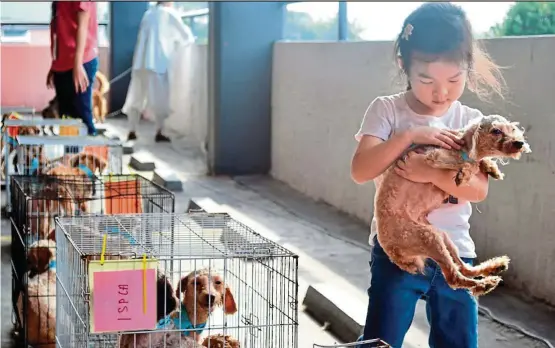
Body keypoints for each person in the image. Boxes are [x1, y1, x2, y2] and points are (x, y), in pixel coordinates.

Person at [351, 3, 505, 348]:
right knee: (381, 339)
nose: (441, 92)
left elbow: (478, 190)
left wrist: (428, 173)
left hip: (456, 250)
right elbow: (361, 170)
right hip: (399, 251)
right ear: (404, 65)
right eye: (426, 80)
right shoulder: (386, 110)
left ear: (468, 67)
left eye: (454, 80)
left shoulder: (471, 119)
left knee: (459, 340)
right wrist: (408, 136)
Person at [122, 1, 195, 142]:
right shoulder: (170, 14)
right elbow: (186, 36)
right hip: (158, 62)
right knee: (160, 98)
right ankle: (159, 131)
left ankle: (132, 130)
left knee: (137, 96)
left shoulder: (148, 14)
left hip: (140, 62)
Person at [47, 1, 99, 136]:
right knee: (67, 120)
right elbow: (58, 28)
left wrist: (78, 64)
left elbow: (83, 25)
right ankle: (72, 156)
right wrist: (55, 63)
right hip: (63, 63)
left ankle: (90, 153)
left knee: (82, 117)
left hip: (81, 61)